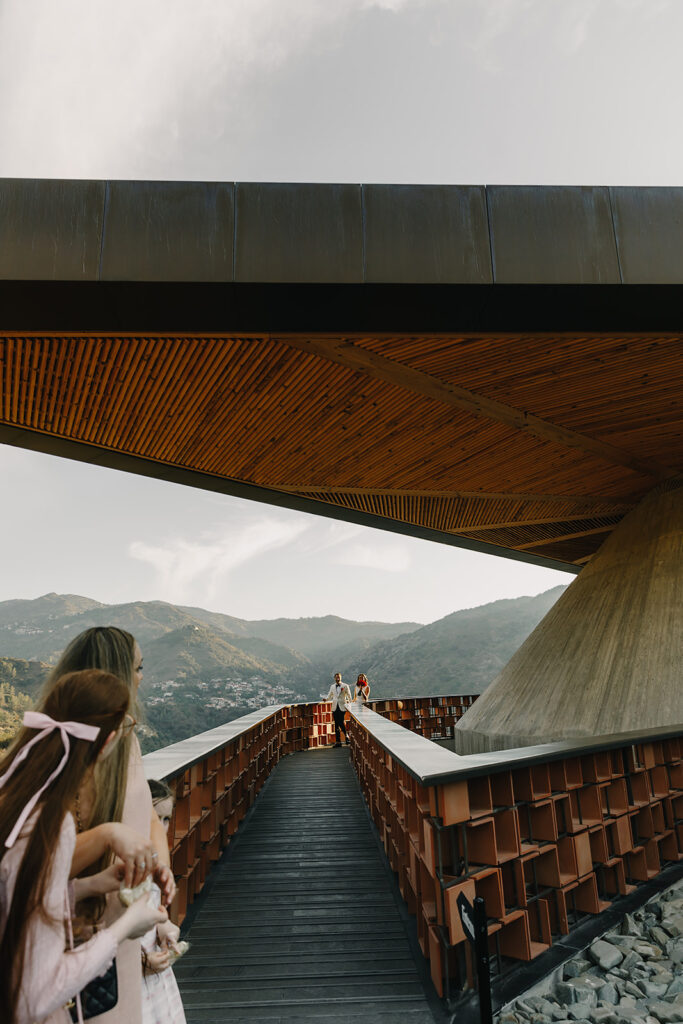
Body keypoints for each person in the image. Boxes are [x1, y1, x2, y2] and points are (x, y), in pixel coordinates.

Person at [0, 668, 167, 1024]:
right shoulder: (49, 824)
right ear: (107, 743)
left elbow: (16, 900)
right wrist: (125, 927)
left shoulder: (13, 794)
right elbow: (37, 993)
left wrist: (88, 885)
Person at [39, 627, 175, 1024]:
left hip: (128, 924)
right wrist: (104, 837)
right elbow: (37, 858)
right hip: (87, 932)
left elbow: (147, 816)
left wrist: (160, 870)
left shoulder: (126, 739)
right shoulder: (66, 750)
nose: (142, 676)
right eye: (137, 666)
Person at [140, 780, 187, 1024]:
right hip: (134, 973)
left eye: (166, 819)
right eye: (154, 818)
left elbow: (154, 911)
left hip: (156, 970)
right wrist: (140, 960)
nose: (160, 828)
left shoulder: (156, 865)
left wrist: (164, 927)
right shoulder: (119, 864)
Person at [322, 673, 352, 747]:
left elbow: (349, 696)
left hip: (342, 706)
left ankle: (347, 736)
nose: (337, 678)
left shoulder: (345, 686)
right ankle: (338, 742)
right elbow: (330, 695)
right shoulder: (332, 686)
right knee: (336, 724)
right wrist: (326, 699)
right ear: (334, 678)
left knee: (341, 722)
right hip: (335, 707)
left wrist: (351, 704)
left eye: (338, 677)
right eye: (336, 677)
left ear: (341, 677)